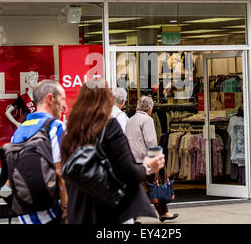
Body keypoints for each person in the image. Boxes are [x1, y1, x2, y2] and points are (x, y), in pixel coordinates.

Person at [61, 80, 165, 224]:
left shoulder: (71, 129)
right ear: (107, 97)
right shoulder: (109, 125)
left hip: (78, 209)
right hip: (107, 209)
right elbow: (128, 171)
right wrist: (147, 167)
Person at [10, 79, 68, 224]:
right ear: (50, 98)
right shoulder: (55, 127)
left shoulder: (19, 131)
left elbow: (9, 179)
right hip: (52, 212)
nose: (65, 105)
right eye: (62, 99)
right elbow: (59, 171)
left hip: (25, 213)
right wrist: (66, 205)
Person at [125, 96, 178, 222]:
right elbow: (151, 141)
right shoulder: (147, 120)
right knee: (155, 185)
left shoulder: (130, 120)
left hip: (131, 158)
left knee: (134, 189)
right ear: (150, 108)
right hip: (145, 159)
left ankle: (133, 217)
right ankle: (163, 212)